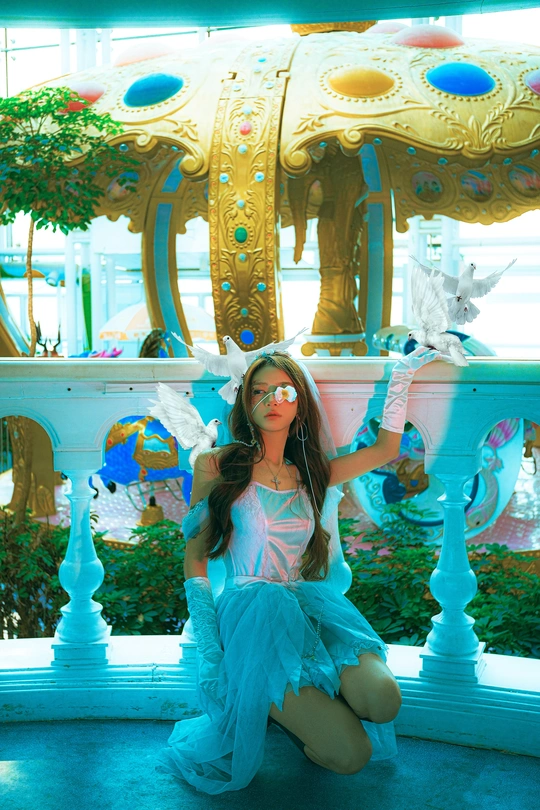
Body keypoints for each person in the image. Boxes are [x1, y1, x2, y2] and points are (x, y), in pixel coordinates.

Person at [156, 345, 440, 794]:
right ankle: (288, 713)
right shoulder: (216, 464)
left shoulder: (311, 472)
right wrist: (209, 649)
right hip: (251, 617)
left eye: (284, 391)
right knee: (352, 756)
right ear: (246, 401)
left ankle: (310, 699)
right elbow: (195, 558)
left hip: (306, 601)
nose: (272, 400)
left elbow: (387, 448)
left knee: (384, 701)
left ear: (299, 404)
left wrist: (402, 373)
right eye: (260, 391)